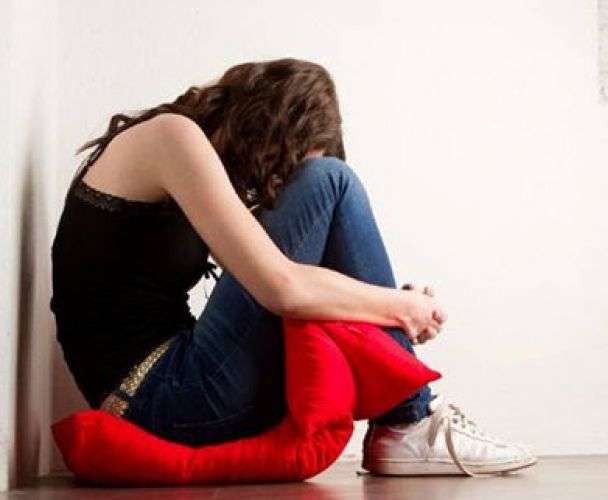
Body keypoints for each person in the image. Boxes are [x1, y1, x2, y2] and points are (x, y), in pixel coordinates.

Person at [50, 58, 535, 476]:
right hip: (160, 398)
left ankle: (407, 421)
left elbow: (288, 276)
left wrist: (391, 306)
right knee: (331, 180)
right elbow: (281, 287)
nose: (280, 181)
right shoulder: (169, 138)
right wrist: (397, 307)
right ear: (269, 128)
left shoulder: (184, 156)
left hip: (179, 391)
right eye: (286, 163)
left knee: (328, 201)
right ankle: (408, 422)